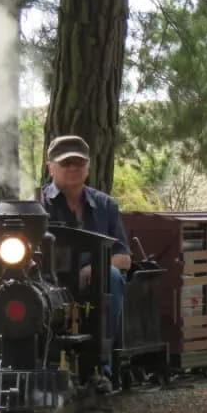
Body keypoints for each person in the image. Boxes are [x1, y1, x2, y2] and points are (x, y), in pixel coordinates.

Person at [40, 135, 131, 380]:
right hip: (50, 284)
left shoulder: (106, 205)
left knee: (111, 276)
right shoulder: (37, 206)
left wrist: (94, 269)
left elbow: (124, 257)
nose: (72, 168)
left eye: (78, 163)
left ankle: (103, 364)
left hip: (94, 285)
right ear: (51, 167)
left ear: (88, 167)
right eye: (66, 163)